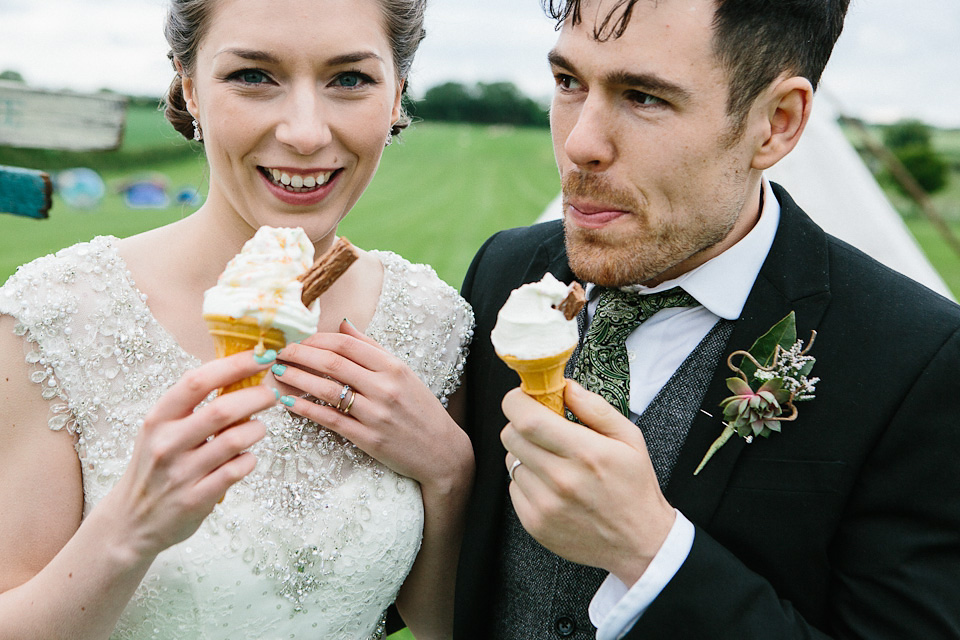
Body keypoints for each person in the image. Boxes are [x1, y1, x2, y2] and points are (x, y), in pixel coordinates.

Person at [454, 0, 960, 638]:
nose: (580, 142)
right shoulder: (505, 267)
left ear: (776, 123)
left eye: (643, 97)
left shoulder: (919, 359)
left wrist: (651, 555)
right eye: (568, 83)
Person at [0, 0, 475, 638]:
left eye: (350, 79)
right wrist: (128, 531)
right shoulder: (55, 317)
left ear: (396, 97)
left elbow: (445, 625)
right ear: (190, 88)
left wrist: (448, 473)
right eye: (253, 76)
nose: (305, 133)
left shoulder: (434, 321)